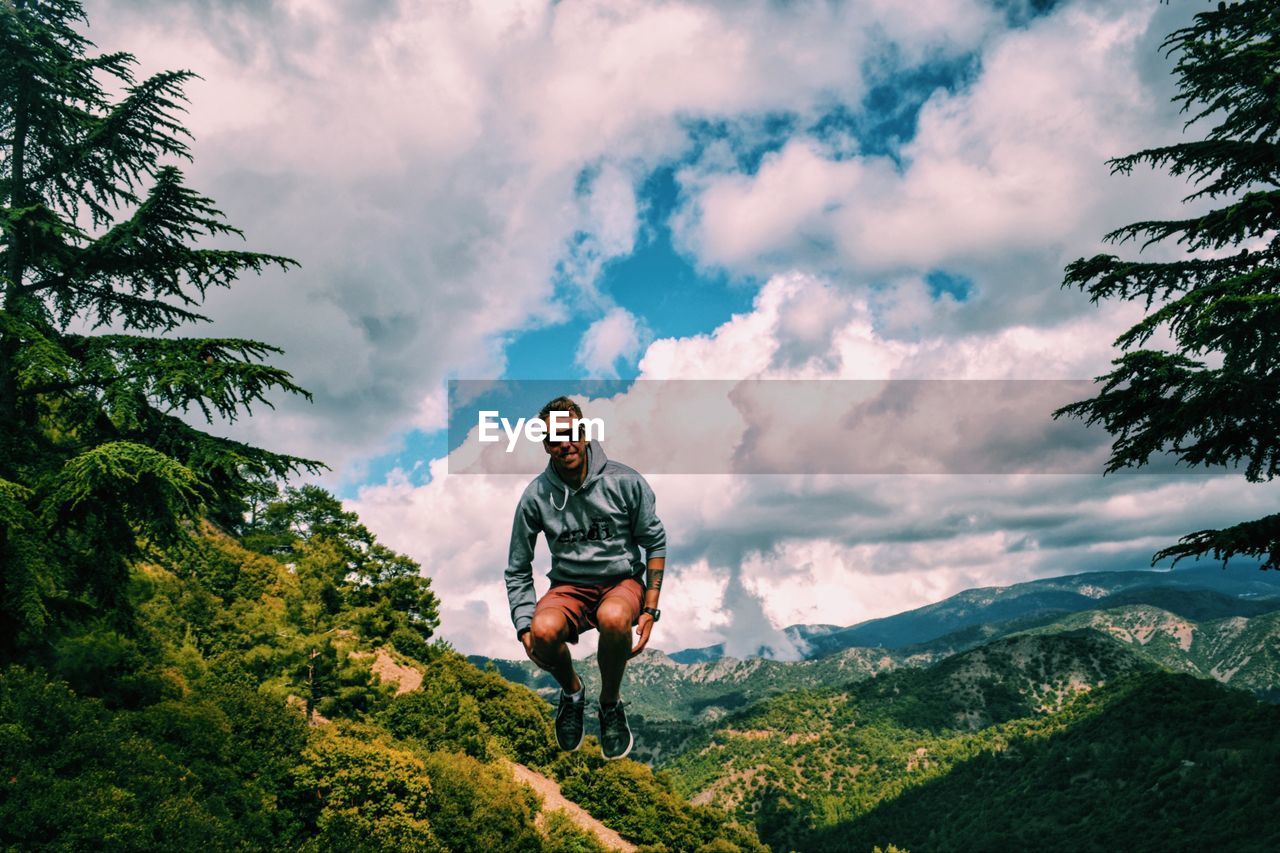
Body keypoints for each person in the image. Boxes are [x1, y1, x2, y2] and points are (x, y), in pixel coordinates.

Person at [505, 396, 666, 760]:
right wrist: (523, 626)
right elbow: (517, 567)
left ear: (584, 432)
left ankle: (609, 704)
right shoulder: (535, 496)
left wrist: (650, 610)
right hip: (569, 587)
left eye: (573, 432)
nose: (567, 443)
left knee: (613, 618)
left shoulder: (625, 481)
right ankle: (572, 694)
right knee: (541, 630)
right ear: (546, 445)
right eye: (556, 437)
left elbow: (655, 542)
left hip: (620, 582)